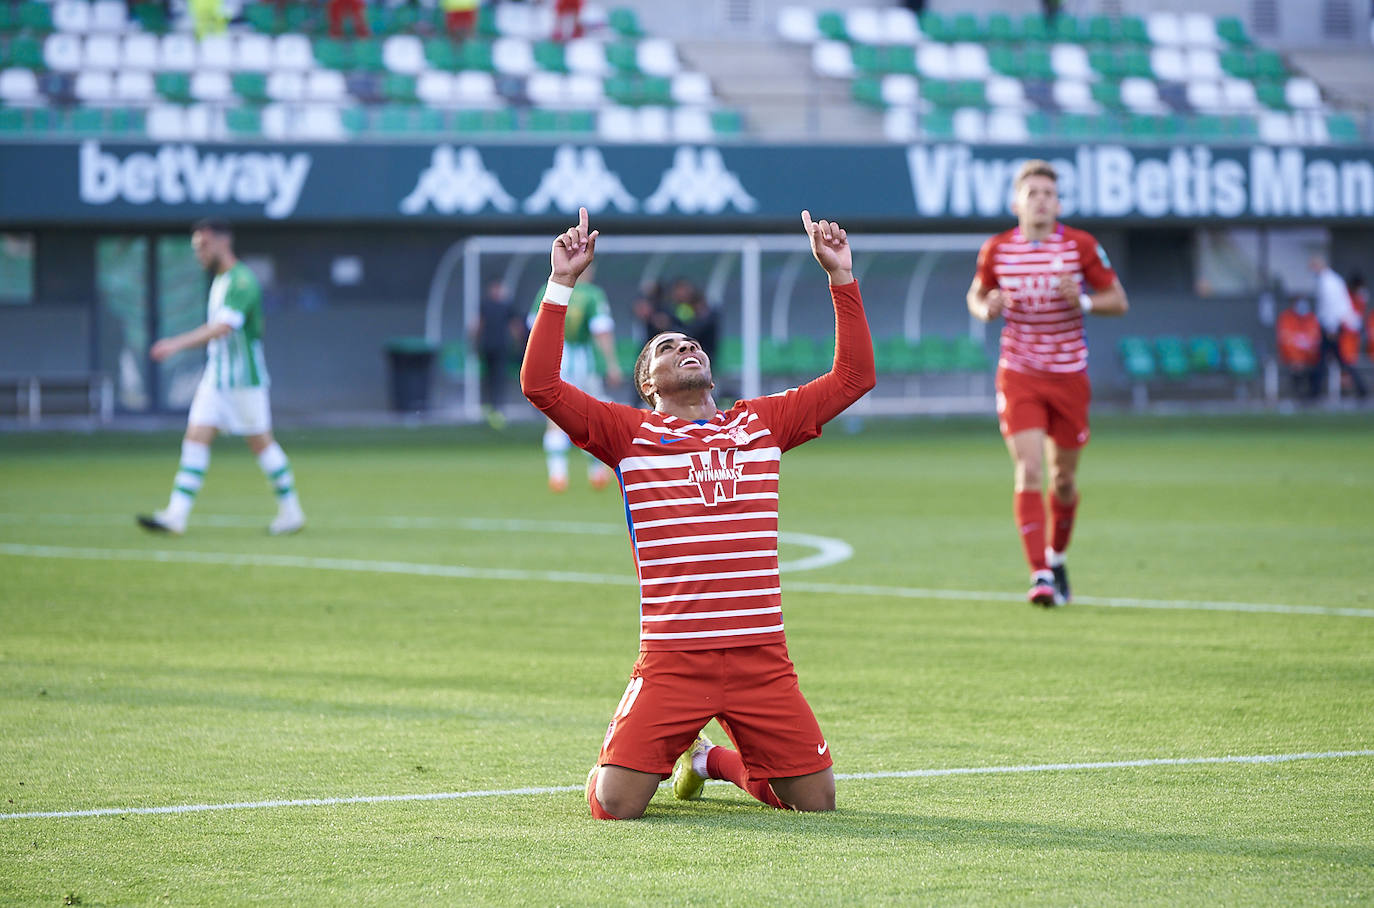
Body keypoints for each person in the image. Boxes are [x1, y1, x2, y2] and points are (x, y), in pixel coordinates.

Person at [521, 208, 874, 820]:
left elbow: (854, 376)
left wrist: (840, 276)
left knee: (816, 803)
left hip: (761, 655)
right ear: (648, 385)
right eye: (665, 346)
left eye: (689, 342)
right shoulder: (628, 432)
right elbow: (541, 386)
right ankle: (665, 747)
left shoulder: (761, 422)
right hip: (674, 657)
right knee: (614, 805)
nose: (685, 344)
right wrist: (561, 285)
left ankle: (709, 760)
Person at [966, 159, 1129, 607]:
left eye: (1048, 194)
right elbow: (977, 295)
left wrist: (1082, 301)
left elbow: (1118, 300)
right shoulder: (997, 249)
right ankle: (1039, 575)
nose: (1040, 200)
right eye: (1032, 192)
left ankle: (1056, 558)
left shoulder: (1080, 246)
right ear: (1017, 200)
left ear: (1058, 203)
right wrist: (987, 307)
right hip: (1019, 372)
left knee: (1062, 479)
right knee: (1031, 468)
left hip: (1069, 374)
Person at [137, 220, 305, 537]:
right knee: (196, 437)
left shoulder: (242, 281)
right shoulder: (219, 281)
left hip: (243, 380)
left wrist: (175, 344)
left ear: (221, 242)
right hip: (216, 379)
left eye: (202, 245)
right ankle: (176, 515)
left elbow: (223, 328)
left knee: (260, 443)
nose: (198, 253)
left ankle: (292, 511)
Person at [527, 261, 621, 491]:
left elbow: (533, 326)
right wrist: (612, 364)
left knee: (555, 416)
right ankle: (596, 471)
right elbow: (602, 330)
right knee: (592, 416)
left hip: (553, 360)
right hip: (582, 362)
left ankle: (558, 474)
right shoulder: (592, 294)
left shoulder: (546, 289)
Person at [1309, 254, 1366, 400]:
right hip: (1332, 326)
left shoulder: (1328, 282)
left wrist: (1332, 328)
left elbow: (1332, 307)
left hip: (1331, 327)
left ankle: (1314, 392)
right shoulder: (1331, 280)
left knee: (1327, 360)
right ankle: (1362, 389)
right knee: (1338, 360)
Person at [473, 278, 522, 428]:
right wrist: (475, 340)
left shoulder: (507, 306)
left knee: (499, 378)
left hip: (502, 346)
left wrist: (519, 342)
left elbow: (515, 325)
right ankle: (487, 406)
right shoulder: (485, 305)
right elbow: (479, 323)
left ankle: (498, 408)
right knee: (487, 377)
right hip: (487, 346)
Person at [1276, 297, 1322, 399]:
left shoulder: (1311, 319)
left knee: (1318, 367)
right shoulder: (1287, 318)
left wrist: (1307, 356)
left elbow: (1315, 340)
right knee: (1297, 370)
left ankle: (1313, 396)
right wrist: (1295, 358)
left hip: (1310, 358)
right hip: (1292, 358)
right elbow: (1286, 341)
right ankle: (1298, 396)